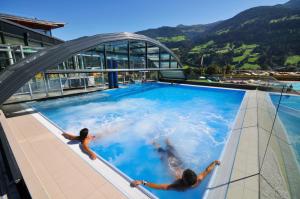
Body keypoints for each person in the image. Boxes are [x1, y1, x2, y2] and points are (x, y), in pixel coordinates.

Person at [131, 139, 220, 191]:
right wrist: (214, 162)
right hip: (179, 164)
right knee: (171, 150)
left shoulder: (177, 185)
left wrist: (142, 182)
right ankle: (166, 140)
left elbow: (159, 186)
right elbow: (207, 170)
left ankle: (155, 142)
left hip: (171, 166)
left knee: (162, 151)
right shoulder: (198, 180)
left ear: (182, 178)